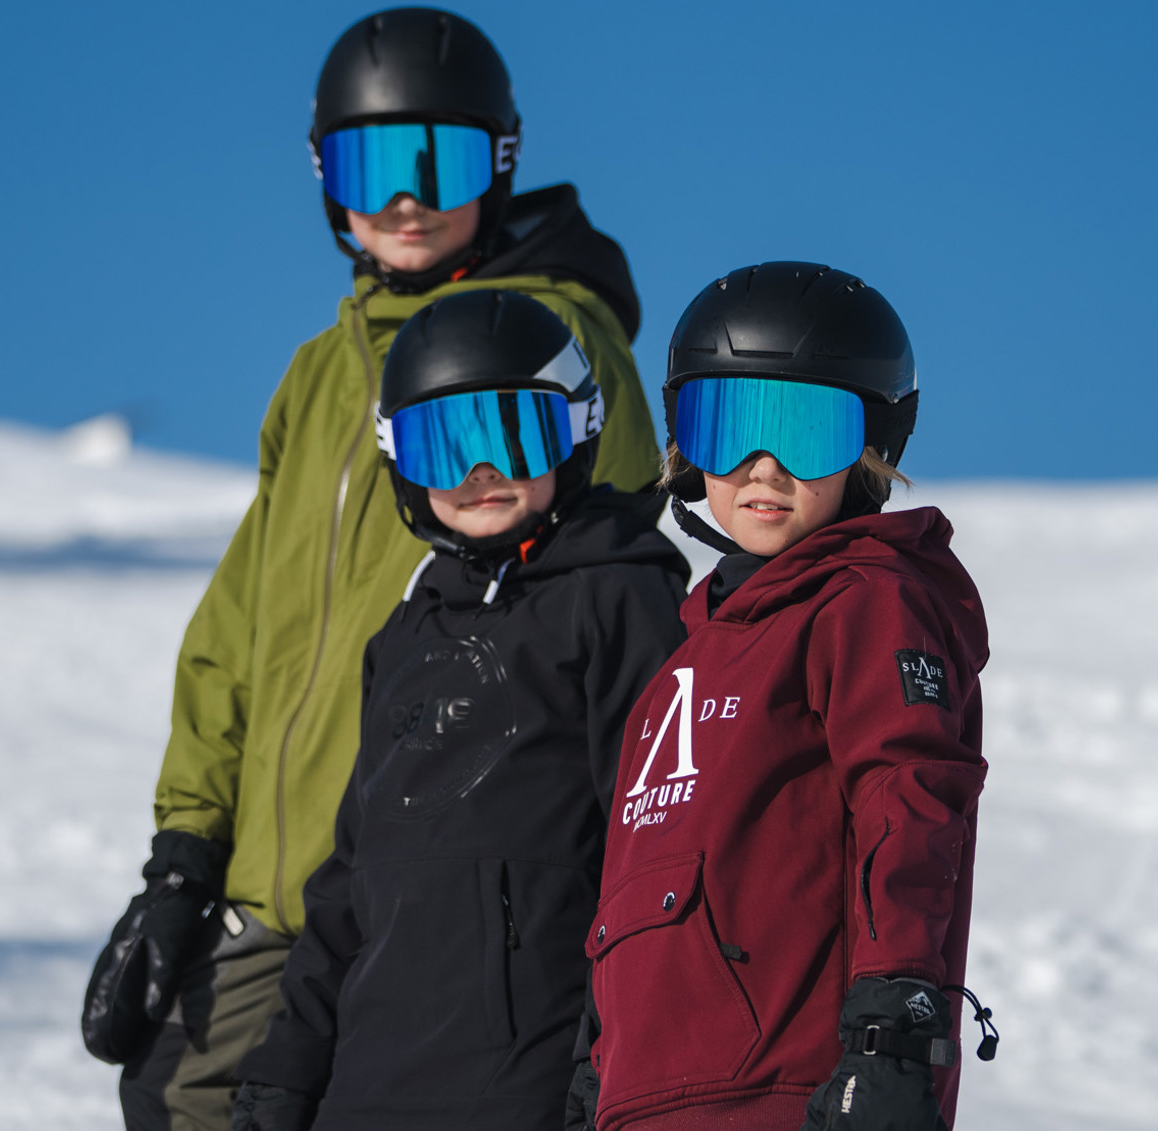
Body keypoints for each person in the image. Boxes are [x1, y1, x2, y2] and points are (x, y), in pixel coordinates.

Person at [80, 10, 659, 1131]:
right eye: (369, 163)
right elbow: (239, 630)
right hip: (282, 889)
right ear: (323, 177)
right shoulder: (319, 372)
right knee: (173, 1092)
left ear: (501, 161)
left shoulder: (547, 347)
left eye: (438, 160)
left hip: (447, 888)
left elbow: (609, 598)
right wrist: (186, 856)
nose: (403, 197)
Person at [225, 289, 689, 1131]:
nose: (480, 471)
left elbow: (656, 853)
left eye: (512, 433)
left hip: (527, 1079)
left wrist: (609, 1062)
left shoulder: (616, 598)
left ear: (576, 430)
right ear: (400, 462)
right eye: (444, 443)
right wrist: (286, 1070)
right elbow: (347, 882)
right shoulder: (405, 636)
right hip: (365, 1087)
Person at [570, 263, 996, 1131]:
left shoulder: (866, 601)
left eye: (805, 429)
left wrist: (891, 1027)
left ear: (871, 447)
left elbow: (908, 798)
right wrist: (593, 1071)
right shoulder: (682, 663)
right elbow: (632, 888)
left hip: (783, 1094)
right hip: (646, 1102)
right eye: (729, 425)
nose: (763, 465)